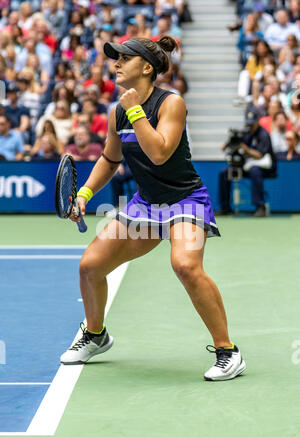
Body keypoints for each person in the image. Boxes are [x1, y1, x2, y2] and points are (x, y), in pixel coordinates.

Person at [60, 35, 246, 382]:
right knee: (90, 266)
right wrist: (85, 193)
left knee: (186, 265)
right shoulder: (117, 111)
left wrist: (133, 110)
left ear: (147, 67)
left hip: (185, 201)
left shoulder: (171, 104)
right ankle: (96, 335)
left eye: (124, 58)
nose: (115, 63)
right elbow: (109, 158)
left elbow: (159, 152)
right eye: (115, 58)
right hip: (146, 206)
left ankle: (228, 352)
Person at [217, 105, 277, 217]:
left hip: (265, 167)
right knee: (224, 173)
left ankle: (260, 207)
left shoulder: (263, 134)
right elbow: (228, 146)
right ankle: (225, 207)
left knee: (255, 171)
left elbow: (259, 155)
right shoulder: (245, 133)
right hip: (246, 165)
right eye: (248, 123)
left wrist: (246, 149)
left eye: (252, 123)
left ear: (257, 121)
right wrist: (231, 144)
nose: (250, 126)